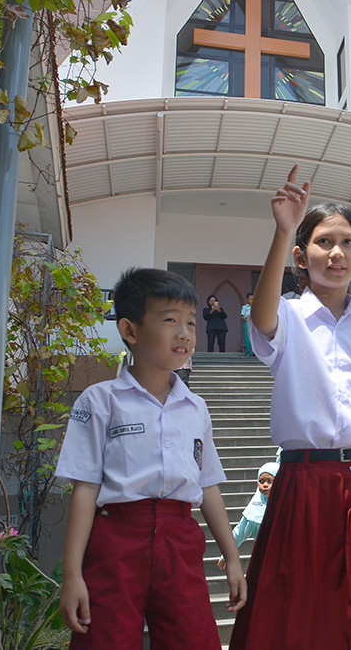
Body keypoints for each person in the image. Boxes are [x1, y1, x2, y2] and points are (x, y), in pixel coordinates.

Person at [228, 164, 351, 650]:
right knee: (299, 611)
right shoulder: (289, 316)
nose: (336, 253)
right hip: (305, 480)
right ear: (301, 255)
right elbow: (261, 314)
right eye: (322, 242)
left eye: (347, 243)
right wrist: (282, 229)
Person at [56, 268, 247, 649]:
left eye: (191, 322)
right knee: (106, 641)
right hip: (116, 541)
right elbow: (85, 488)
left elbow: (207, 485)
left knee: (194, 639)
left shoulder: (196, 408)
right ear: (130, 330)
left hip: (180, 539)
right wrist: (72, 574)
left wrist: (233, 558)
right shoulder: (100, 401)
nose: (185, 334)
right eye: (170, 320)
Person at [217, 462, 278, 570]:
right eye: (261, 481)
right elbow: (239, 532)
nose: (265, 485)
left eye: (270, 481)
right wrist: (225, 555)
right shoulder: (254, 508)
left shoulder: (287, 505)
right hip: (264, 560)